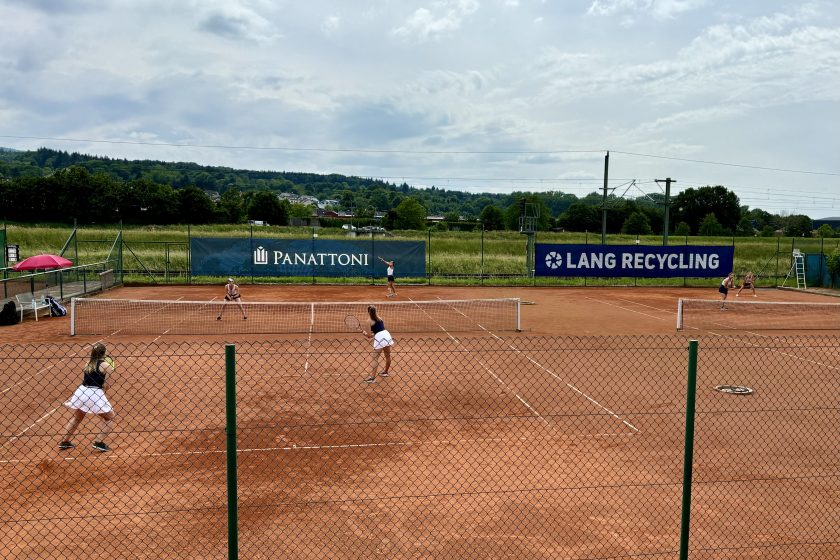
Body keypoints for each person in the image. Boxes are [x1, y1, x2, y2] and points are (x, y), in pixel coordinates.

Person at [59, 343, 116, 452]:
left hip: (81, 391)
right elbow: (106, 386)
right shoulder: (106, 365)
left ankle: (64, 441)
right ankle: (99, 442)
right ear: (104, 353)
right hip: (94, 393)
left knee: (77, 418)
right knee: (110, 417)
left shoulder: (88, 363)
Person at [363, 305, 393, 384]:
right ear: (375, 311)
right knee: (387, 356)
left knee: (375, 357)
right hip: (386, 335)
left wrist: (365, 333)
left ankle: (372, 378)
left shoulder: (368, 321)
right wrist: (372, 336)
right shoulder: (380, 318)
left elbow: (369, 335)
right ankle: (385, 372)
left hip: (380, 337)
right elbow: (379, 330)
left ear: (368, 312)